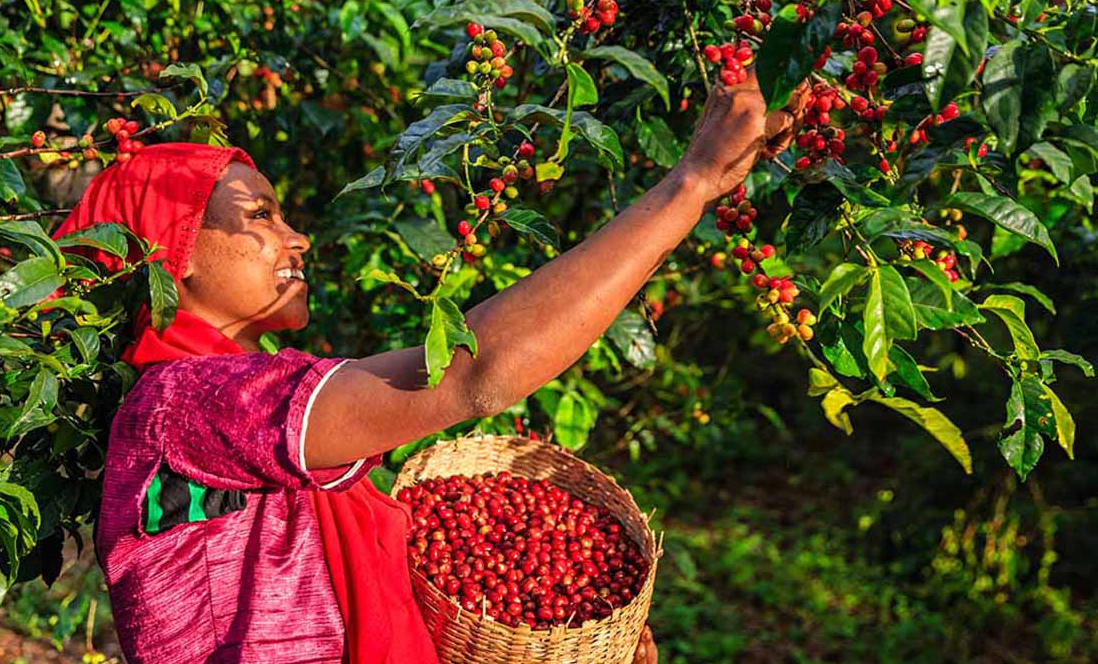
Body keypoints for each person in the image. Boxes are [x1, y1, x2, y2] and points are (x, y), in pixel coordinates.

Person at [53, 73, 802, 663]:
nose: (298, 237)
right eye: (262, 216)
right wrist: (691, 185)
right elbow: (478, 372)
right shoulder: (184, 402)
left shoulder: (239, 400)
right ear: (167, 249)